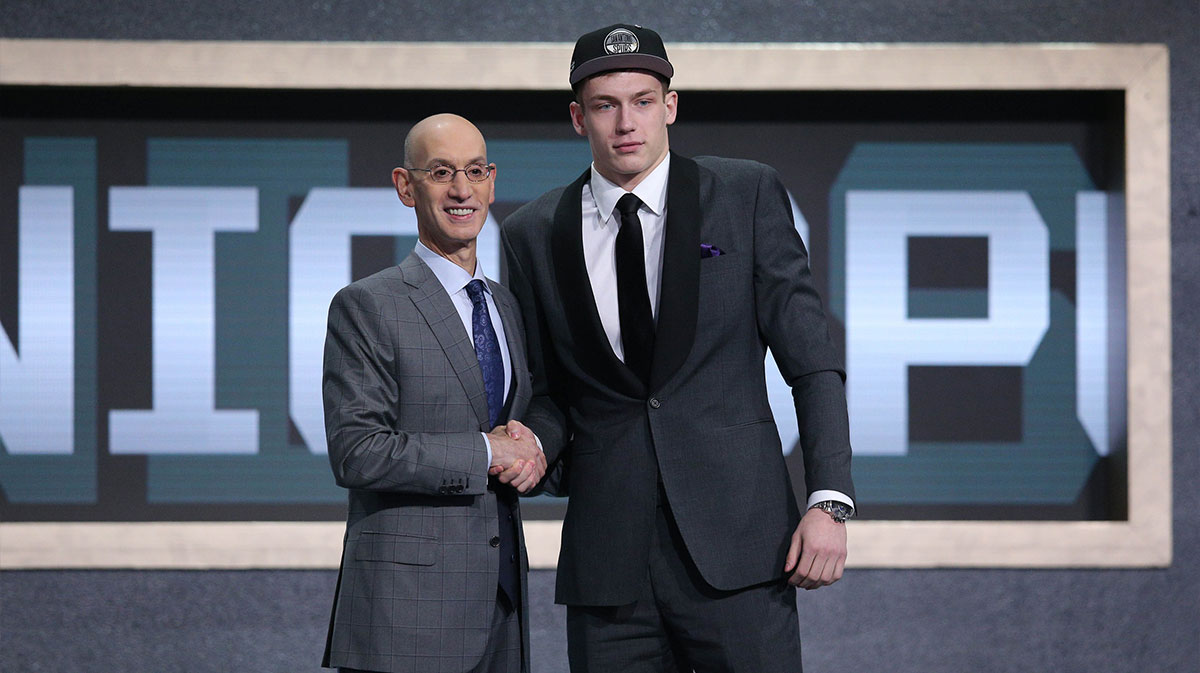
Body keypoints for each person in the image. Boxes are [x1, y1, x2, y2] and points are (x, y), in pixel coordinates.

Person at [500, 24, 856, 673]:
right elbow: (551, 391)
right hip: (610, 569)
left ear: (670, 106)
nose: (625, 122)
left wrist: (828, 499)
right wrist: (534, 442)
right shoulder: (531, 233)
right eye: (606, 105)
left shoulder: (744, 195)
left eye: (642, 100)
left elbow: (812, 361)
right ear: (579, 118)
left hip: (742, 551)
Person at [321, 113, 546, 673]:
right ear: (405, 186)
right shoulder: (368, 303)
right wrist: (490, 452)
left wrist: (533, 449)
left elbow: (517, 422)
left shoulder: (506, 304)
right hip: (404, 620)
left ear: (493, 181)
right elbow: (357, 451)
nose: (462, 189)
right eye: (441, 171)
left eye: (474, 171)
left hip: (502, 610)